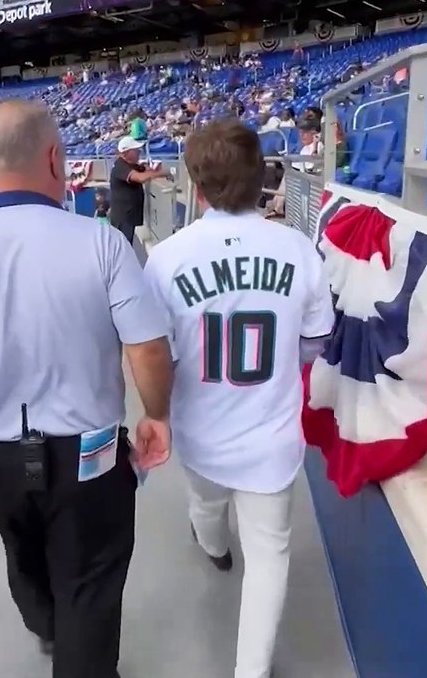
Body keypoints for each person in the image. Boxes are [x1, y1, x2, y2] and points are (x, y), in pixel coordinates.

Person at [0, 99, 175, 678]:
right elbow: (146, 346)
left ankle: (46, 625)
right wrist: (156, 415)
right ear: (54, 156)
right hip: (89, 452)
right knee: (90, 580)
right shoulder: (101, 243)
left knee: (22, 549)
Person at [143, 119, 336, 678]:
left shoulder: (168, 257)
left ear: (196, 187)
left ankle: (213, 547)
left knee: (205, 505)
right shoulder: (298, 250)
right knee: (270, 558)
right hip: (271, 436)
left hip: (200, 429)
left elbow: (159, 353)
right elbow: (314, 342)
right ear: (262, 178)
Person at [108, 135, 169, 245]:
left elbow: (146, 171)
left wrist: (154, 170)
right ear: (126, 153)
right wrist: (165, 173)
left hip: (128, 216)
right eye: (135, 150)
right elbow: (141, 178)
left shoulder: (131, 165)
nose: (139, 152)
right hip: (123, 218)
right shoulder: (120, 166)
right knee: (123, 247)